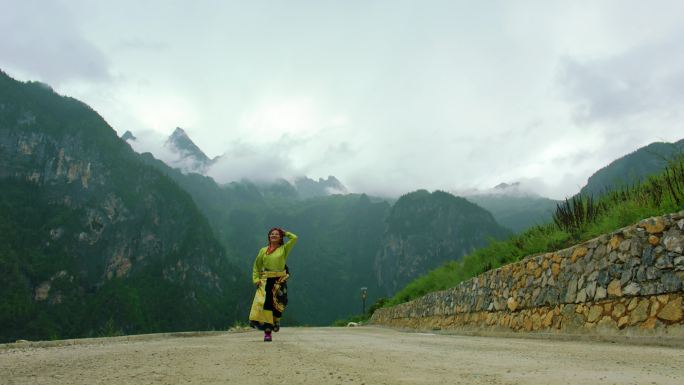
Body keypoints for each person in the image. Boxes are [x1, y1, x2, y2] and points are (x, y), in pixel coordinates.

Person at [248, 227, 298, 342]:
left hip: (280, 280)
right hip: (266, 280)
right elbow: (257, 265)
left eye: (276, 234)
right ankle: (267, 331)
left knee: (282, 302)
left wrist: (285, 233)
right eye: (271, 234)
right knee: (266, 304)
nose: (274, 235)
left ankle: (276, 320)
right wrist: (256, 279)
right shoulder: (263, 250)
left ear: (280, 237)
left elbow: (294, 238)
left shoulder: (284, 249)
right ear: (268, 237)